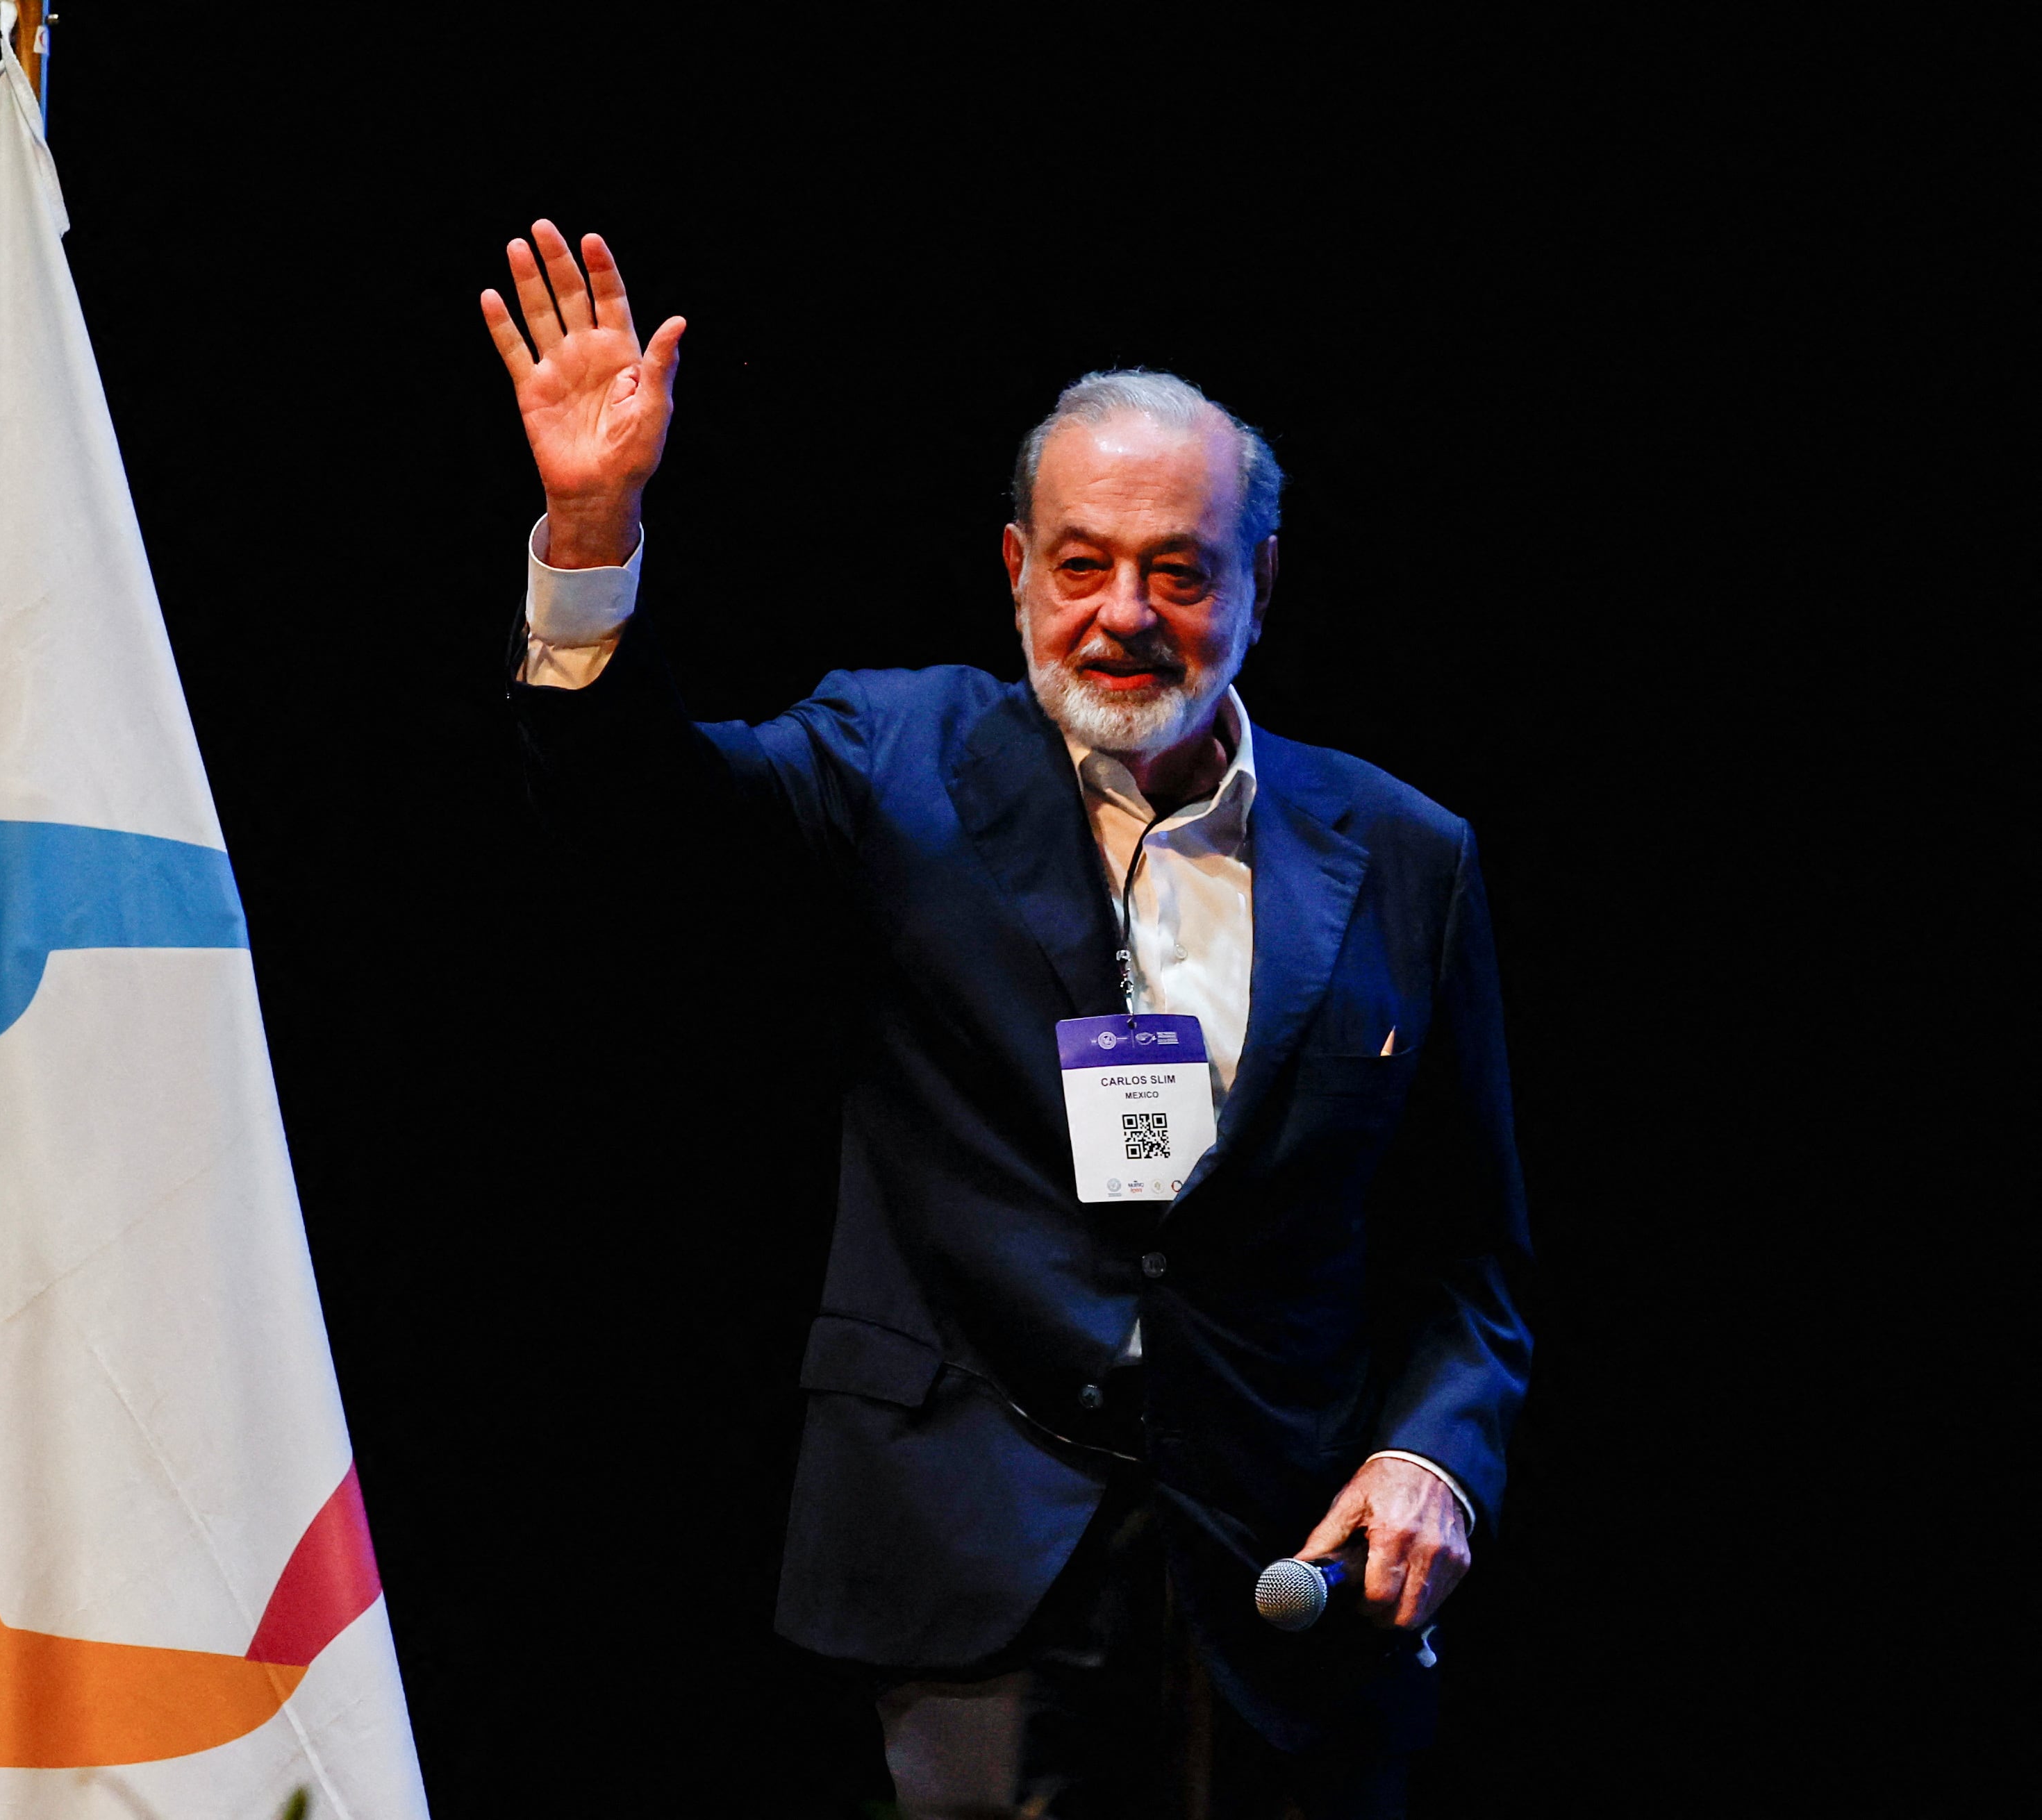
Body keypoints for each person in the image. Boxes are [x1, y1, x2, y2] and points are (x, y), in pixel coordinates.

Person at [485, 220, 1532, 1819]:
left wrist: (1434, 1455)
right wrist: (589, 522)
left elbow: (1469, 1253)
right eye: (1081, 563)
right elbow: (634, 811)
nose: (1122, 613)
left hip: (1284, 1574)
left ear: (1257, 586)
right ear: (1014, 572)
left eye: (1178, 569)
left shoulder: (1404, 854)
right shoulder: (896, 756)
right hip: (972, 1558)